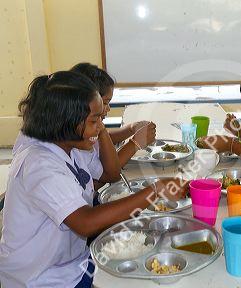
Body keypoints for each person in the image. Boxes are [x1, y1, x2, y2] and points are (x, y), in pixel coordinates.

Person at [0, 71, 188, 287]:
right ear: (66, 121)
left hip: (68, 260)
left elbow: (109, 175)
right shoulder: (39, 164)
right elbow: (85, 222)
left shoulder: (70, 145)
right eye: (94, 120)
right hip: (42, 278)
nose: (101, 128)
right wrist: (154, 191)